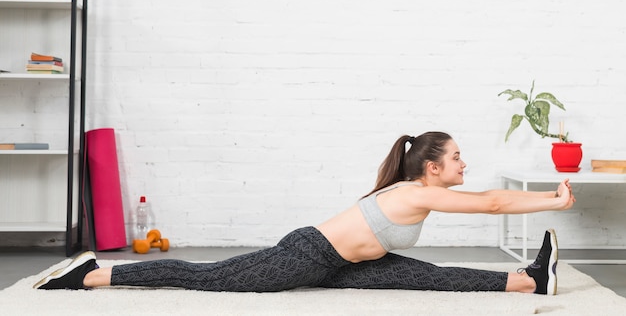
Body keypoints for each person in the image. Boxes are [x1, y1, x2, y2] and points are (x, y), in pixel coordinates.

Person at [34, 131, 574, 295]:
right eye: (455, 156)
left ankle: (526, 280)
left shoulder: (416, 189)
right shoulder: (415, 192)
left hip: (345, 262)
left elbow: (489, 200)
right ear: (430, 169)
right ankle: (93, 275)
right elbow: (492, 203)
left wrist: (548, 201)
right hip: (308, 255)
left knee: (421, 275)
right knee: (206, 277)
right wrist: (553, 199)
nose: (464, 163)